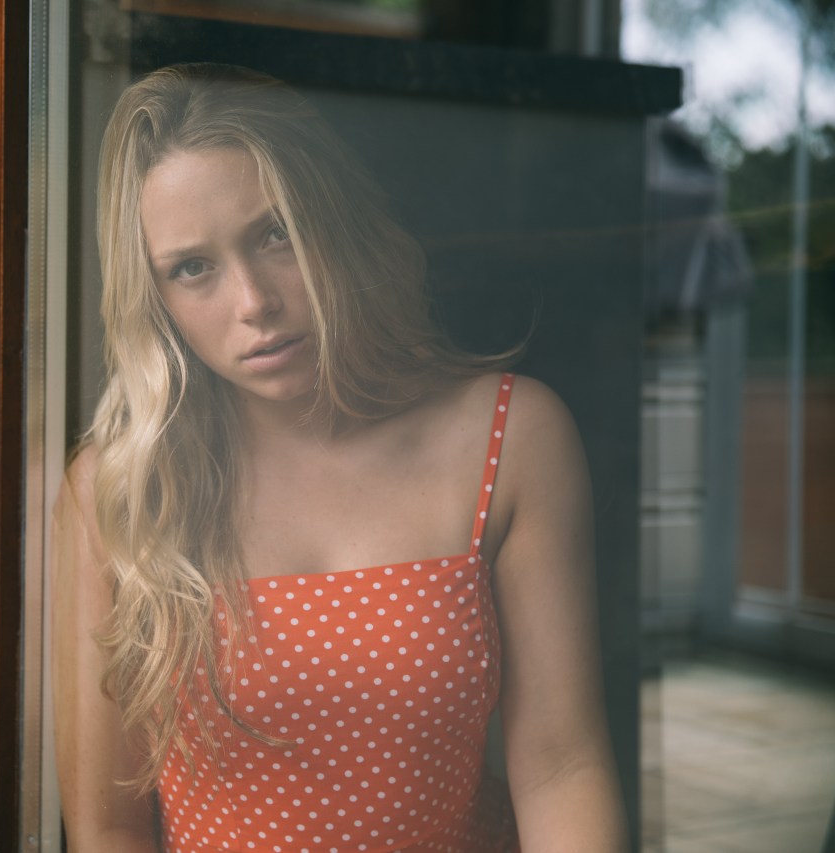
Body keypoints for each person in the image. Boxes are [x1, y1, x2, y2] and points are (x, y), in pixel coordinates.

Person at [52, 63, 626, 853]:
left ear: (334, 221)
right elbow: (108, 826)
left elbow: (563, 768)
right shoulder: (118, 493)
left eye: (274, 233)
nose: (254, 302)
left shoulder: (512, 436)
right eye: (194, 268)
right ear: (154, 298)